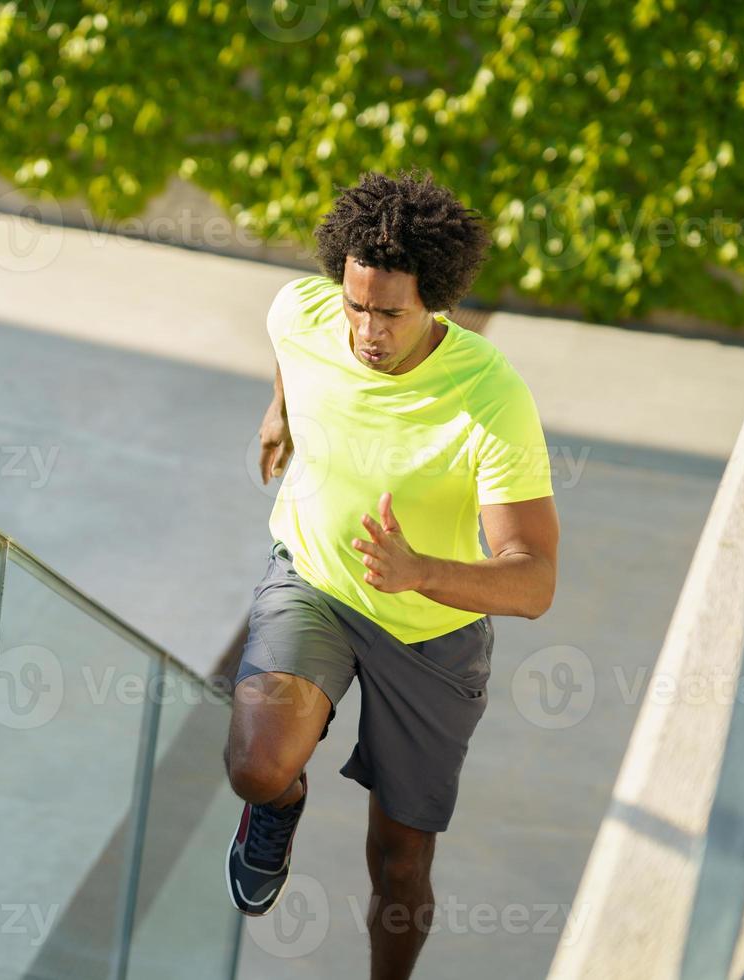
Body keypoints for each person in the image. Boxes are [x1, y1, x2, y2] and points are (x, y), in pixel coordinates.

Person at [224, 171, 560, 979]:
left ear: (435, 301)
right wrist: (281, 409)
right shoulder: (303, 314)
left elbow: (534, 580)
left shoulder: (489, 396)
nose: (366, 330)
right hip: (315, 583)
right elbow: (289, 341)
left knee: (401, 863)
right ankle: (280, 810)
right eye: (356, 305)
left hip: (431, 629)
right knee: (256, 766)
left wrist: (420, 572)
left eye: (390, 313)